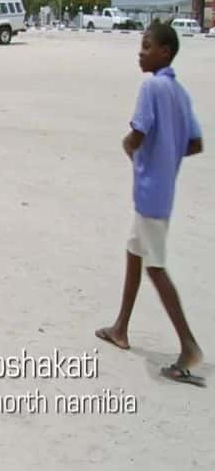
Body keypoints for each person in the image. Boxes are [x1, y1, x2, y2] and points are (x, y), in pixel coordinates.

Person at [96, 22, 205, 386]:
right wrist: (167, 155)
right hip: (161, 189)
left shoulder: (152, 86)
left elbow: (139, 132)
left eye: (147, 46)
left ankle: (189, 347)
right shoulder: (179, 90)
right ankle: (121, 327)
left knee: (155, 267)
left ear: (165, 52)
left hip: (150, 193)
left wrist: (131, 148)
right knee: (134, 252)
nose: (140, 52)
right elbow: (195, 143)